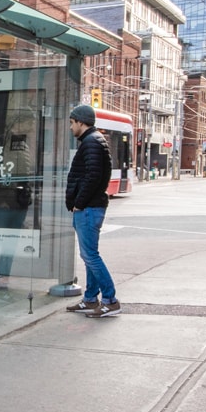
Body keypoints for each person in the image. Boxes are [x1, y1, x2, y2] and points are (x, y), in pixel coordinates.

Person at [64, 104, 121, 318]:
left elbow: (92, 177)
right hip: (90, 207)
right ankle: (90, 299)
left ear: (81, 122)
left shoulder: (91, 142)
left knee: (90, 256)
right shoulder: (93, 141)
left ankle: (110, 300)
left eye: (72, 123)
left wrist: (79, 202)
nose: (71, 128)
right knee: (89, 256)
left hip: (89, 208)